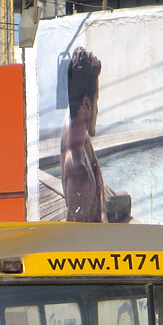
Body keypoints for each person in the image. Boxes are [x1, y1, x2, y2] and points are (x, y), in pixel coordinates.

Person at [61, 47, 105, 223]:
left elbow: (97, 169)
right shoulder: (79, 171)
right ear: (87, 105)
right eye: (96, 101)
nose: (97, 109)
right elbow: (77, 237)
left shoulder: (72, 124)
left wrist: (102, 215)